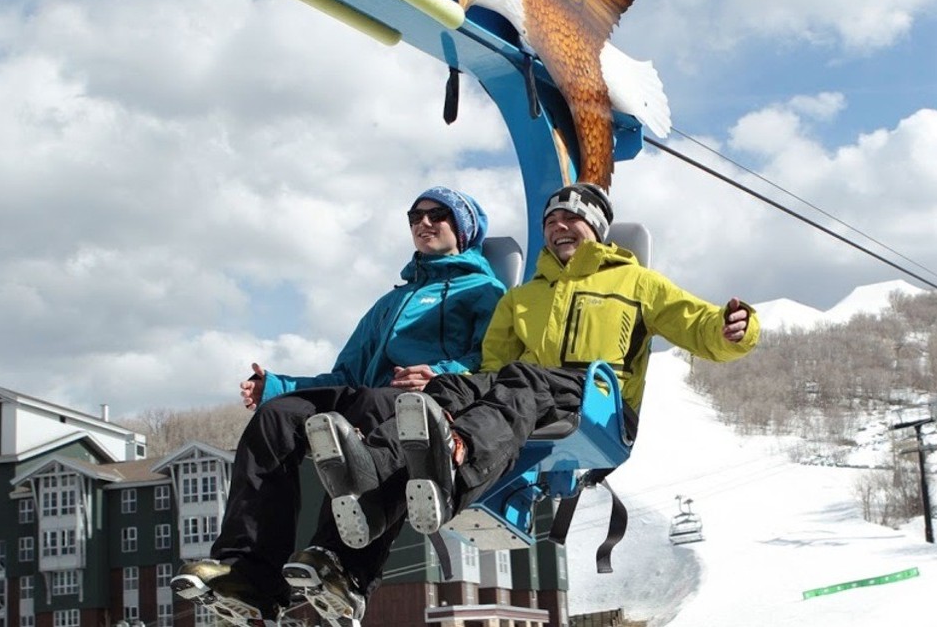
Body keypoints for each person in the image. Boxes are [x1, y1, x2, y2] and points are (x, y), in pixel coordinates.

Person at [298, 182, 759, 608]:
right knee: (451, 388)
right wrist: (451, 388)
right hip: (532, 390)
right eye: (550, 222)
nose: (559, 227)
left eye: (571, 219)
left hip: (599, 402)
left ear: (596, 227)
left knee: (523, 380)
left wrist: (732, 328)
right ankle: (373, 472)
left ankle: (458, 452)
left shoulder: (635, 282)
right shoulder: (522, 298)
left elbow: (695, 323)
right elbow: (492, 367)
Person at [171, 187, 505, 626]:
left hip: (425, 401)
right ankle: (249, 570)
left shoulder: (485, 291)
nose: (423, 223)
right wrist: (277, 387)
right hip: (367, 393)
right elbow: (345, 374)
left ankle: (342, 563)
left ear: (462, 228)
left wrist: (441, 374)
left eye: (437, 214)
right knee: (276, 418)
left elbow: (493, 359)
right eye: (414, 216)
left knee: (374, 405)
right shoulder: (391, 302)